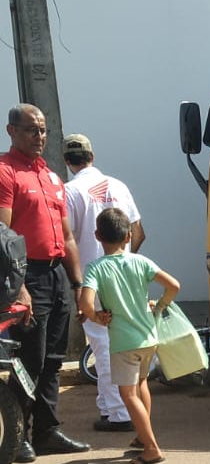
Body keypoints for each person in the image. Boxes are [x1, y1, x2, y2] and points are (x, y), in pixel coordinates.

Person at [0, 104, 91, 463]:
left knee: (53, 359)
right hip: (27, 276)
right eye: (31, 130)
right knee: (29, 360)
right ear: (11, 131)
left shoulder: (52, 177)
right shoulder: (6, 172)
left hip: (55, 275)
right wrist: (17, 285)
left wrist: (79, 283)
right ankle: (17, 436)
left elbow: (67, 237)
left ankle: (47, 431)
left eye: (43, 130)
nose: (39, 137)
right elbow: (2, 234)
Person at [80, 207, 179, 464]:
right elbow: (173, 285)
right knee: (142, 385)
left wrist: (96, 317)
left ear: (97, 236)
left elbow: (86, 303)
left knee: (128, 395)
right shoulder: (141, 261)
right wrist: (159, 307)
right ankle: (141, 436)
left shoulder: (96, 268)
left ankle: (151, 448)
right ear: (128, 236)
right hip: (149, 337)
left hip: (124, 343)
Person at [63, 133, 146, 432]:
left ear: (66, 160)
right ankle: (111, 409)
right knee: (119, 344)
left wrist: (76, 285)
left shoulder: (70, 191)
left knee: (103, 345)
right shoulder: (119, 186)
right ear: (92, 156)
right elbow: (139, 233)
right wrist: (125, 262)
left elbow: (66, 239)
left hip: (92, 279)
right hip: (125, 276)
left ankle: (121, 413)